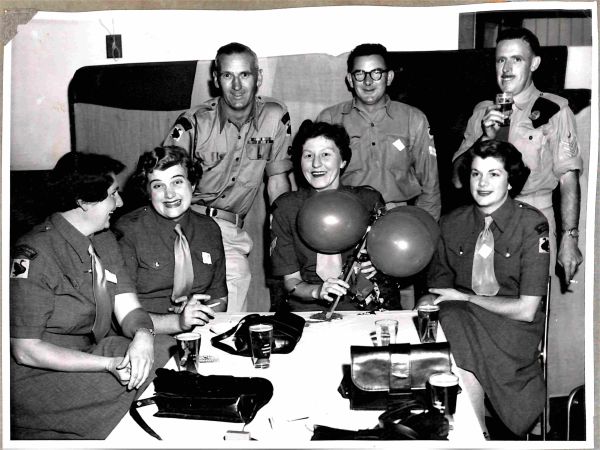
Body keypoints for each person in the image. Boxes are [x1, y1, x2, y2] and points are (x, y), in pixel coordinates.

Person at [10, 152, 174, 439]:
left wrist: (144, 335)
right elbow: (26, 351)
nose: (120, 203)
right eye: (113, 194)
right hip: (38, 373)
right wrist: (108, 365)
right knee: (139, 381)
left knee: (164, 349)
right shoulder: (34, 254)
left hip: (87, 353)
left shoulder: (105, 240)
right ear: (84, 202)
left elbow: (129, 309)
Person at [420, 140, 550, 438]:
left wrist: (464, 297)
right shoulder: (451, 223)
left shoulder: (532, 224)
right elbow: (438, 291)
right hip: (463, 321)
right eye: (476, 174)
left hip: (513, 326)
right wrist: (425, 303)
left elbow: (527, 310)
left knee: (454, 324)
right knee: (448, 323)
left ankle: (473, 432)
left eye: (494, 174)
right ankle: (477, 432)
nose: (482, 183)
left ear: (510, 180)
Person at [163, 42, 292, 312]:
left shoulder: (275, 117)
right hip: (188, 224)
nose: (236, 86)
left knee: (230, 302)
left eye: (244, 75)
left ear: (259, 77)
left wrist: (285, 234)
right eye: (227, 75)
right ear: (215, 79)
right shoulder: (195, 122)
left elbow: (277, 182)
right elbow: (166, 183)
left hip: (230, 231)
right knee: (187, 307)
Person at [452, 27, 583, 288]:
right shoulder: (482, 111)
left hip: (534, 218)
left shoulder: (553, 110)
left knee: (532, 307)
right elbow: (457, 179)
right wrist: (485, 138)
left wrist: (570, 238)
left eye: (517, 59)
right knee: (484, 298)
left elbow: (569, 180)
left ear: (534, 63)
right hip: (486, 221)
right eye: (501, 60)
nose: (507, 68)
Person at [270, 120, 386, 311]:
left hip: (364, 308)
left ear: (343, 160)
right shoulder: (286, 208)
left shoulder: (369, 202)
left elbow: (391, 261)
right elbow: (291, 282)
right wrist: (318, 291)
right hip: (307, 308)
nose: (316, 164)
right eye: (308, 155)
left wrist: (380, 266)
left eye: (325, 154)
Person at [316, 43, 441, 221]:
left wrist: (424, 227)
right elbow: (316, 181)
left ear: (389, 77)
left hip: (399, 217)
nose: (368, 82)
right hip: (344, 216)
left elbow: (430, 184)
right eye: (360, 74)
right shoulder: (330, 118)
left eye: (376, 73)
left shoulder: (413, 119)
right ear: (350, 80)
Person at [114, 146, 227, 335]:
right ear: (148, 193)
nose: (169, 194)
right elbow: (120, 314)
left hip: (197, 333)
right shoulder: (128, 230)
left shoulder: (209, 229)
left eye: (177, 182)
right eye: (158, 186)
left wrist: (198, 316)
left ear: (192, 184)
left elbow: (219, 298)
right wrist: (178, 322)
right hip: (144, 336)